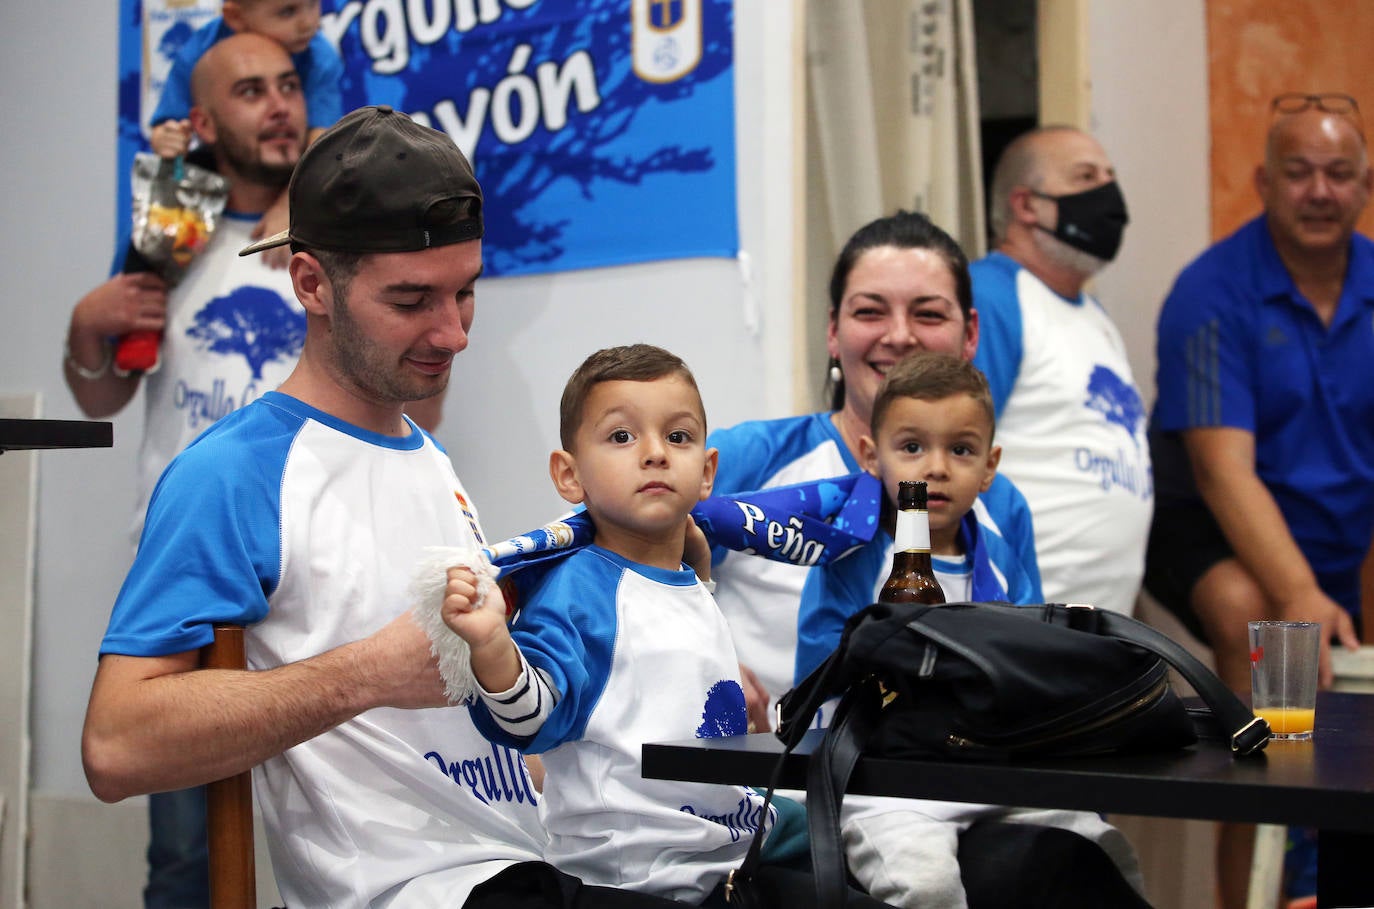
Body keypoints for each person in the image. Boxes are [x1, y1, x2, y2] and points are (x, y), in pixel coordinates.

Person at [80, 105, 672, 909]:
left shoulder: (430, 460)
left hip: (523, 862)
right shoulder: (233, 473)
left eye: (464, 293)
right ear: (311, 283)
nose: (454, 333)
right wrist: (363, 676)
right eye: (411, 300)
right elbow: (116, 746)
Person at [442, 344, 894, 908]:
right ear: (569, 475)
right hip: (641, 873)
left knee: (864, 846)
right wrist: (490, 644)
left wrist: (701, 579)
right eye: (622, 437)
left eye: (677, 437)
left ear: (707, 472)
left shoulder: (685, 575)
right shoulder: (579, 587)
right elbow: (533, 722)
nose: (655, 453)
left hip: (726, 847)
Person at [65, 33, 312, 909]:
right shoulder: (169, 233)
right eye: (251, 91)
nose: (279, 104)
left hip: (318, 578)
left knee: (347, 834)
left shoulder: (335, 241)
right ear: (204, 121)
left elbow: (420, 402)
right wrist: (87, 327)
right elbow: (101, 396)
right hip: (189, 581)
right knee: (183, 860)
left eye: (288, 85)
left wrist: (312, 207)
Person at [792, 351, 1147, 909]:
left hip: (991, 769)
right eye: (911, 448)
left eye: (960, 450)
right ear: (870, 456)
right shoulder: (852, 557)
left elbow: (1034, 665)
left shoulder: (999, 551)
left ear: (989, 465)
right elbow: (819, 682)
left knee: (1098, 846)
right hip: (885, 783)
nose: (935, 468)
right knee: (925, 886)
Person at [1145, 92, 1372, 909]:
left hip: (1329, 533)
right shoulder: (1212, 291)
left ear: (1365, 186)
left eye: (1339, 174)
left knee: (1342, 730)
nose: (1319, 191)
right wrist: (1300, 597)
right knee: (1269, 658)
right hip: (1204, 522)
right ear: (1262, 182)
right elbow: (1220, 472)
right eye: (1298, 172)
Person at [708, 210, 1042, 718]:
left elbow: (1027, 657)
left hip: (961, 767)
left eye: (928, 314)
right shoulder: (750, 458)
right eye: (870, 312)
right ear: (833, 331)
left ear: (970, 334)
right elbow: (610, 562)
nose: (900, 336)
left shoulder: (998, 502)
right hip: (774, 777)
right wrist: (703, 660)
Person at [970, 125, 1151, 617]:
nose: (1109, 193)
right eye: (1086, 177)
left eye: (1111, 176)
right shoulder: (991, 298)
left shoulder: (1094, 316)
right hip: (1023, 622)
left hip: (1098, 631)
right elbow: (951, 450)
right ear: (1027, 205)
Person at [149, 0, 344, 266]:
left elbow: (322, 142)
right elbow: (167, 125)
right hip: (212, 172)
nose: (309, 23)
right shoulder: (198, 50)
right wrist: (166, 138)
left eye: (289, 86)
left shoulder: (320, 55)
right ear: (235, 17)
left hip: (299, 172)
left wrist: (289, 206)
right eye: (287, 11)